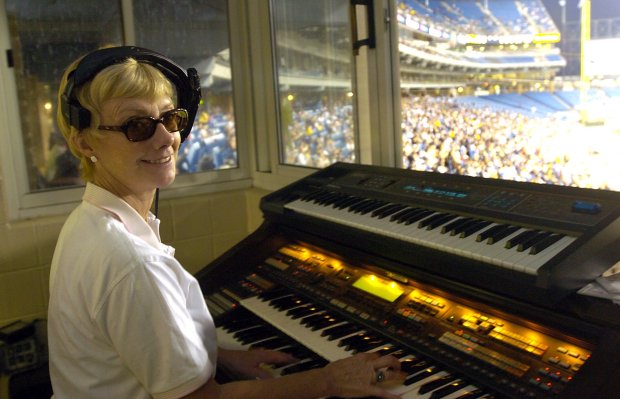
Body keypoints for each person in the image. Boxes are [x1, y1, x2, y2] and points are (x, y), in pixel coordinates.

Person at [47, 46, 403, 399]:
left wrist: (223, 357)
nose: (166, 139)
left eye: (170, 118)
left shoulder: (86, 223)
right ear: (84, 142)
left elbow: (138, 348)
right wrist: (328, 380)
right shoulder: (133, 263)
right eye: (136, 126)